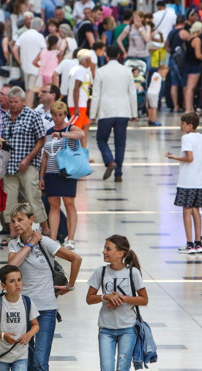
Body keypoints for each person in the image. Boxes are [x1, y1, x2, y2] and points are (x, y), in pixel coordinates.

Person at [7, 203, 82, 371]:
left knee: (40, 361)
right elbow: (11, 266)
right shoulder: (13, 244)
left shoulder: (46, 242)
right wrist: (30, 244)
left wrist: (70, 286)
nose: (16, 224)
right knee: (25, 358)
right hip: (23, 308)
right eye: (13, 221)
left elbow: (76, 259)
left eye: (20, 219)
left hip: (46, 309)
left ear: (31, 220)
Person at [86, 235, 148, 371]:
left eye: (108, 249)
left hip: (128, 328)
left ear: (120, 253)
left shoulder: (133, 273)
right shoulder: (100, 272)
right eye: (104, 248)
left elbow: (144, 300)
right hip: (106, 329)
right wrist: (105, 296)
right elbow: (89, 298)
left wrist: (124, 298)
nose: (104, 252)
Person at [165, 112, 202, 254]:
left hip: (187, 180)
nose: (180, 126)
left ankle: (189, 243)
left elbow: (189, 158)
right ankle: (198, 242)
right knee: (196, 210)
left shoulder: (187, 138)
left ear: (190, 125)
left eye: (182, 123)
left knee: (186, 210)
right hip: (200, 181)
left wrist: (174, 157)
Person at [0, 265, 41, 371]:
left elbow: (35, 325)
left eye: (19, 280)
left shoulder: (27, 302)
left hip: (21, 353)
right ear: (3, 286)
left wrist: (29, 335)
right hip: (0, 353)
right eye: (12, 281)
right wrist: (3, 335)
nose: (17, 284)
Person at [2, 86, 48, 227]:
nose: (13, 105)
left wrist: (27, 159)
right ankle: (13, 231)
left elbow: (42, 140)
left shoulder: (32, 116)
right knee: (9, 200)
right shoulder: (6, 117)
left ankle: (45, 228)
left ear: (23, 101)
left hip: (28, 165)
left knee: (33, 197)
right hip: (9, 167)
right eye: (11, 102)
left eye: (16, 102)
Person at [39, 101, 83, 248]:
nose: (57, 118)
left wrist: (63, 134)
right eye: (54, 115)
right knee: (53, 205)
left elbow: (81, 134)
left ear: (65, 115)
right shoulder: (49, 131)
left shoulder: (70, 128)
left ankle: (71, 238)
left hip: (67, 171)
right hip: (51, 171)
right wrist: (42, 176)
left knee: (69, 203)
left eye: (60, 115)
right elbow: (45, 155)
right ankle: (53, 237)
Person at [90, 45, 137, 182]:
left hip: (106, 111)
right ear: (119, 55)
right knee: (120, 143)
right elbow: (132, 93)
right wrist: (134, 112)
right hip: (123, 111)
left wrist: (92, 114)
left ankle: (110, 161)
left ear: (106, 55)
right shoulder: (127, 71)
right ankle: (118, 174)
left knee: (101, 139)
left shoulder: (100, 71)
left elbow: (96, 95)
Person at [12, 17, 46, 107]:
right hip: (35, 67)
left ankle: (25, 108)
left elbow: (14, 49)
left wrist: (20, 62)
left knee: (27, 89)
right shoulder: (39, 36)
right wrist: (38, 60)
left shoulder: (24, 35)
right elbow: (44, 51)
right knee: (31, 90)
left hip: (25, 67)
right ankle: (28, 109)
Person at [68, 50, 93, 148]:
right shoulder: (81, 71)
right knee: (75, 130)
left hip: (80, 104)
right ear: (87, 60)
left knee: (85, 125)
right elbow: (76, 88)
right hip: (78, 105)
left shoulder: (76, 69)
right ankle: (72, 152)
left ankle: (83, 150)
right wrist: (76, 107)